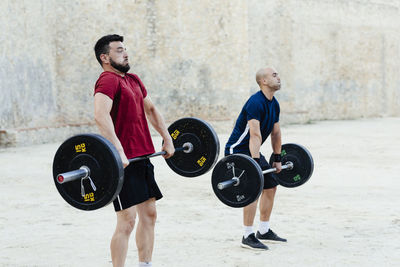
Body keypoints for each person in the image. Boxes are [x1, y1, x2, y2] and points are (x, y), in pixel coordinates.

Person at [93, 34, 175, 267]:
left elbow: (151, 110)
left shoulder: (133, 79)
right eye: (119, 50)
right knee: (127, 221)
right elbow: (100, 115)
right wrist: (118, 151)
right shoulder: (107, 80)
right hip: (122, 162)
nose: (126, 53)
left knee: (149, 215)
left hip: (143, 157)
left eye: (125, 49)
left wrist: (167, 138)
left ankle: (144, 264)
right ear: (105, 57)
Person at [225, 67, 287, 250]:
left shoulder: (274, 103)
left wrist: (277, 158)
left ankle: (264, 230)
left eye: (278, 73)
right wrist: (254, 163)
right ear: (264, 81)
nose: (278, 77)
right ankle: (247, 235)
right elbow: (254, 134)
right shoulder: (255, 102)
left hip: (253, 151)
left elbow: (276, 134)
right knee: (254, 186)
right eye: (274, 75)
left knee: (271, 185)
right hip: (237, 150)